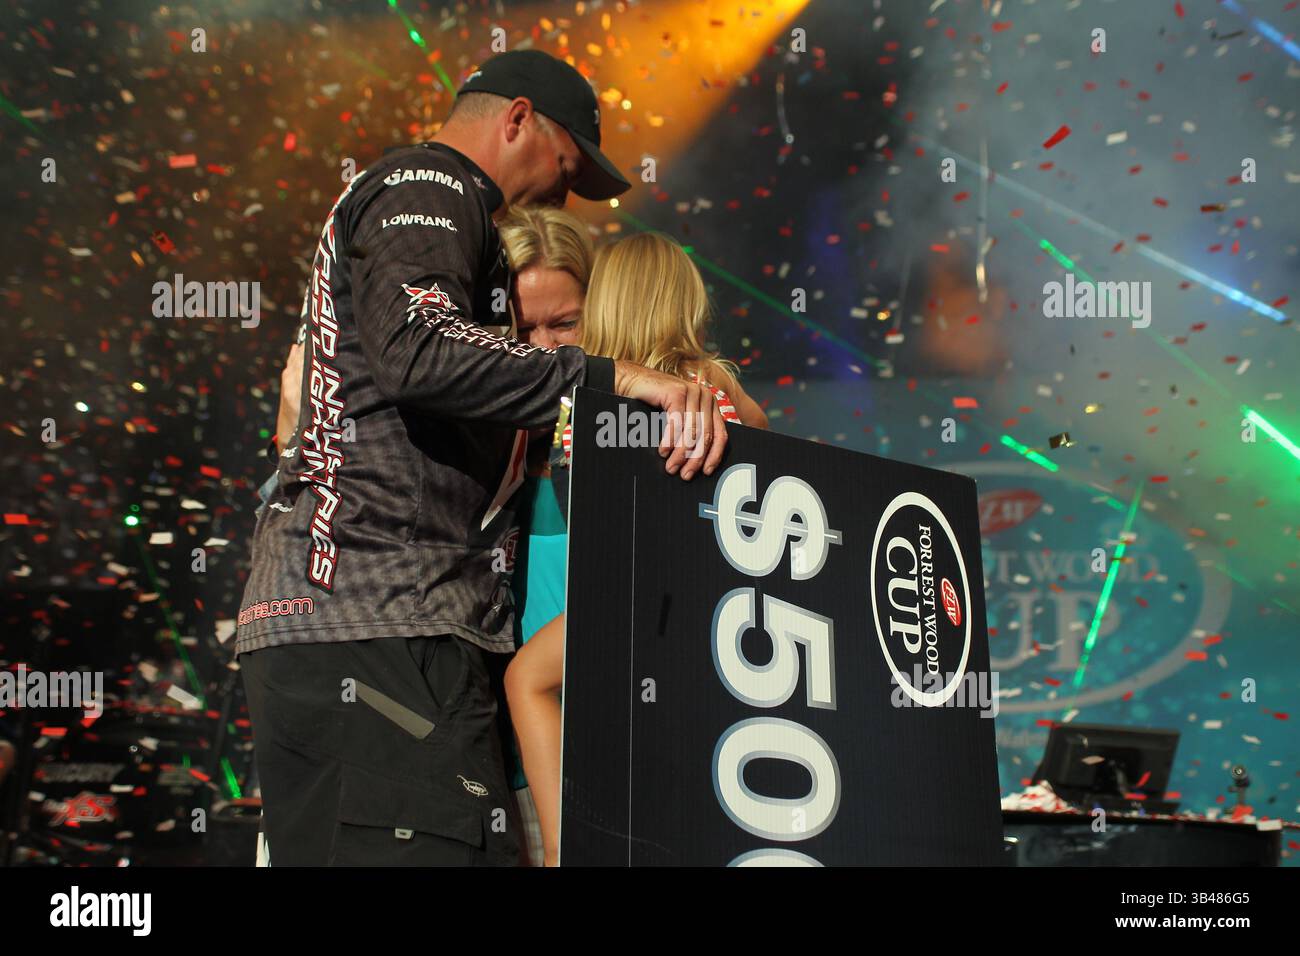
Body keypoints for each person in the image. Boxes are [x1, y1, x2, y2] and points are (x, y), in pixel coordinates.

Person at [235, 50, 729, 867]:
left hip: (362, 628)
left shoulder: (414, 208)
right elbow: (418, 349)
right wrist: (614, 378)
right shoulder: (429, 188)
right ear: (516, 120)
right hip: (376, 619)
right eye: (566, 167)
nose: (563, 196)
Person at [504, 231, 768, 866]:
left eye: (566, 321)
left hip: (637, 596)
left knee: (526, 680)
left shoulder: (586, 405)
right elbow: (767, 440)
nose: (548, 340)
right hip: (717, 612)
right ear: (688, 303)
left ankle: (563, 848)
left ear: (602, 306)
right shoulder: (710, 386)